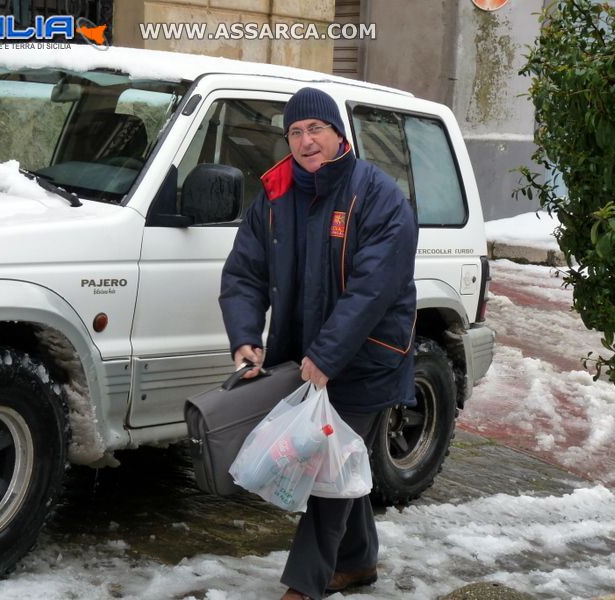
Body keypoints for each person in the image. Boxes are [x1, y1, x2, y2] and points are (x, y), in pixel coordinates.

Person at [219, 86, 418, 600]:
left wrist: (328, 355)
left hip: (367, 357)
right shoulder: (276, 194)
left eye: (316, 129)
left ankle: (304, 587)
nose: (306, 141)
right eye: (296, 132)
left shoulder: (377, 196)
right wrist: (246, 336)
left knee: (327, 472)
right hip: (306, 359)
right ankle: (357, 563)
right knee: (342, 461)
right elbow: (244, 272)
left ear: (338, 134)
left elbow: (373, 291)